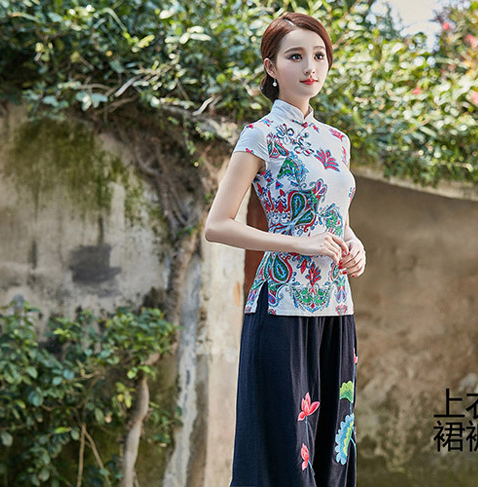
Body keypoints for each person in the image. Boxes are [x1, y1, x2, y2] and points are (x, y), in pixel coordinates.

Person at [204, 11, 366, 487]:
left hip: (336, 307)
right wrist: (297, 242)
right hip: (281, 307)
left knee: (333, 449)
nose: (309, 66)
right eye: (295, 56)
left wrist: (355, 245)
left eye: (319, 56)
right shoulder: (260, 135)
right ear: (272, 67)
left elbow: (337, 220)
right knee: (284, 454)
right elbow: (217, 225)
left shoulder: (338, 142)